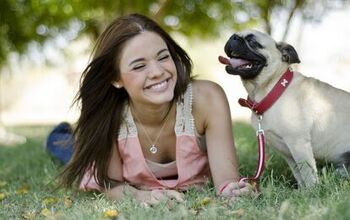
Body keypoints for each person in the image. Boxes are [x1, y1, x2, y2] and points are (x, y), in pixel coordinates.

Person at [51, 13, 253, 205]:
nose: (157, 72)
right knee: (72, 152)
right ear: (116, 78)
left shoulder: (206, 99)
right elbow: (110, 183)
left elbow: (227, 181)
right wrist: (141, 196)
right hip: (92, 148)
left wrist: (233, 191)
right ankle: (59, 135)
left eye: (163, 57)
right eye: (139, 66)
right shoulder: (110, 115)